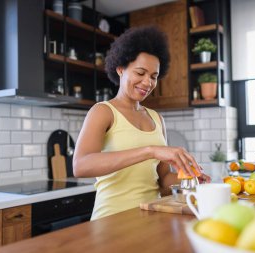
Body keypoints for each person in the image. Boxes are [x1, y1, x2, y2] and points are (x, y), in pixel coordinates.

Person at [73, 25, 210, 220]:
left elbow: (163, 180)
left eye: (154, 77)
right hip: (110, 222)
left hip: (151, 218)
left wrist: (191, 180)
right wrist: (150, 150)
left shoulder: (156, 118)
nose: (148, 82)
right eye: (140, 73)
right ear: (120, 69)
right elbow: (80, 165)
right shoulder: (103, 112)